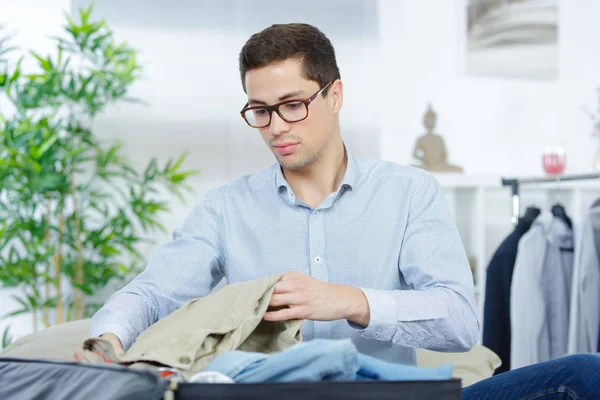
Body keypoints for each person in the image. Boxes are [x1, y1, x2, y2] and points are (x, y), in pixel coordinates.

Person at [75, 23, 600, 399]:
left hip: (394, 395)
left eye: (292, 104)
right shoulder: (225, 209)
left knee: (585, 373)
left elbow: (460, 321)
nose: (277, 125)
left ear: (336, 95)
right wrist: (107, 342)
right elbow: (153, 291)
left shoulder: (409, 192)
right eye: (260, 111)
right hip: (275, 396)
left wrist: (346, 301)